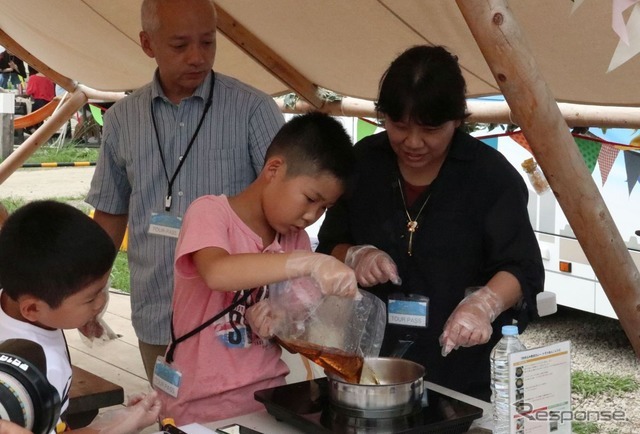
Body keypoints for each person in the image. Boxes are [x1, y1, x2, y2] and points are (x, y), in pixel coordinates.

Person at [316, 45, 544, 401]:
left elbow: (522, 267)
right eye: (398, 126)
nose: (413, 142)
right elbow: (329, 244)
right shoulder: (364, 163)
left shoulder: (490, 177)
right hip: (368, 363)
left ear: (457, 120)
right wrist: (355, 256)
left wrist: (483, 304)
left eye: (430, 128)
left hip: (459, 368)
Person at [86, 0, 285, 382]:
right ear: (148, 44)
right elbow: (110, 212)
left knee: (237, 420)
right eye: (180, 46)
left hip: (235, 320)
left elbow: (285, 206)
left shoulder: (253, 110)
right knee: (170, 419)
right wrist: (88, 287)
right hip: (156, 313)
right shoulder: (123, 119)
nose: (197, 57)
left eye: (208, 43)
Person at [157, 112, 357, 423]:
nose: (311, 216)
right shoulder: (210, 213)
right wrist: (310, 262)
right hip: (199, 403)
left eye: (324, 208)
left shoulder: (296, 240)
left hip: (268, 397)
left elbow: (294, 334)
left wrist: (282, 319)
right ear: (274, 169)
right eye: (309, 199)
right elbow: (218, 273)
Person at [0, 200, 161, 433]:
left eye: (104, 289)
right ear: (33, 309)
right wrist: (117, 425)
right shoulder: (39, 371)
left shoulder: (14, 302)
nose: (101, 303)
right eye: (90, 298)